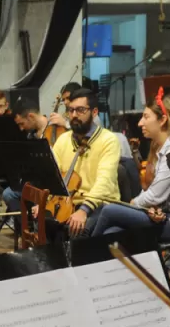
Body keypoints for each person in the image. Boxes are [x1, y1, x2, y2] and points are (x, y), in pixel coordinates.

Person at [88, 90, 170, 241]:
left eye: (146, 117)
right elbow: (158, 197)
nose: (140, 123)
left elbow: (155, 195)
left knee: (108, 210)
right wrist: (152, 209)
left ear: (163, 120)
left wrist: (132, 204)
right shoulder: (167, 147)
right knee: (112, 232)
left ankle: (82, 259)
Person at [49, 88, 121, 238]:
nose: (74, 115)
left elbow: (104, 182)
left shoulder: (108, 140)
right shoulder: (63, 139)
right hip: (69, 203)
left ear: (94, 112)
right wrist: (45, 201)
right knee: (44, 223)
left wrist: (84, 210)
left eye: (80, 110)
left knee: (77, 230)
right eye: (71, 110)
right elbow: (52, 175)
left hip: (100, 205)